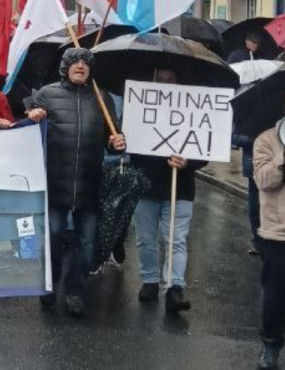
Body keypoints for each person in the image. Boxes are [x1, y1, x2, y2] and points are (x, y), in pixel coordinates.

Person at [24, 48, 126, 317]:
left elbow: (112, 140)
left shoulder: (102, 99)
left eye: (86, 62)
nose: (81, 66)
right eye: (75, 62)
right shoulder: (46, 95)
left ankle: (76, 291)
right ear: (65, 67)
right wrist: (31, 117)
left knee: (86, 244)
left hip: (89, 187)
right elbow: (27, 134)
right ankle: (50, 284)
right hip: (55, 185)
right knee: (54, 239)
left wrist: (117, 144)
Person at [127, 68, 208, 315]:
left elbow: (205, 149)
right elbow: (130, 147)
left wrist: (187, 163)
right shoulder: (140, 109)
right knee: (146, 239)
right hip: (146, 185)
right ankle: (149, 281)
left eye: (170, 80)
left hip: (180, 187)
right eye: (159, 80)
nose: (164, 84)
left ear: (178, 82)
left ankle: (174, 288)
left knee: (176, 240)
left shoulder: (190, 109)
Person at [253, 87, 285, 370]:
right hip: (279, 234)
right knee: (275, 298)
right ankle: (271, 344)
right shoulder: (266, 140)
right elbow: (263, 179)